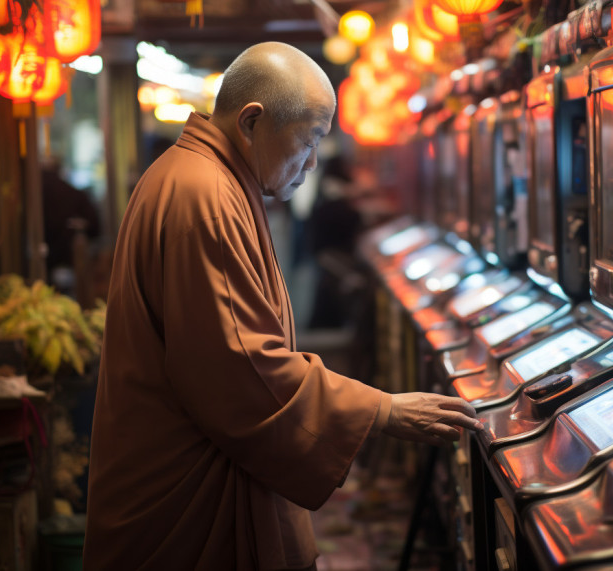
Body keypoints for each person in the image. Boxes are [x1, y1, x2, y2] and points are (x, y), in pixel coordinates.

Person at [83, 42, 482, 570]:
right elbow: (238, 370)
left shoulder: (206, 177)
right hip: (184, 497)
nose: (314, 161)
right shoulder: (203, 193)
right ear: (252, 122)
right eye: (310, 138)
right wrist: (379, 410)